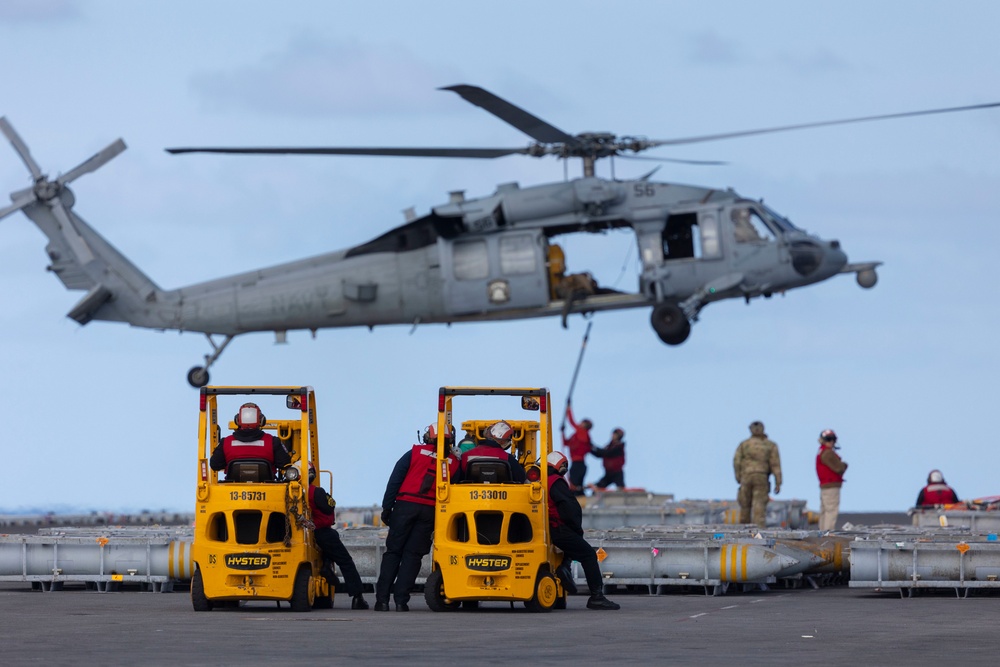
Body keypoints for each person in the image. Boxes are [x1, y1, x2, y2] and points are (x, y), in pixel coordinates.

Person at [375, 424, 460, 611]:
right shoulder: (453, 462)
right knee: (413, 556)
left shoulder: (414, 453)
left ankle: (381, 601)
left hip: (405, 507)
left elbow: (395, 480)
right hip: (430, 511)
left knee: (393, 552)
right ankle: (401, 601)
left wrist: (387, 508)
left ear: (428, 437)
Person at [546, 451, 620, 610]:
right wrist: (576, 529)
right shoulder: (556, 482)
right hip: (559, 529)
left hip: (550, 528)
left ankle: (564, 567)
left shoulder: (542, 480)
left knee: (573, 548)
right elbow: (569, 508)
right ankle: (596, 596)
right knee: (588, 555)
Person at [305, 463, 369, 610]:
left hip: (304, 534)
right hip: (321, 532)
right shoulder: (316, 492)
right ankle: (357, 596)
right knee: (345, 561)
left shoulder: (289, 493)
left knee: (331, 539)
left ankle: (326, 565)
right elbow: (330, 506)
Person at [209, 402, 291, 480]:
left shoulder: (226, 442)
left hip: (232, 491)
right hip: (268, 489)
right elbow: (285, 464)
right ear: (262, 420)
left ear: (237, 420)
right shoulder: (272, 441)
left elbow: (215, 465)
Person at [733, 421, 782, 528]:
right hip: (761, 477)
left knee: (745, 506)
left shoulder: (744, 445)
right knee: (759, 506)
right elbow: (775, 465)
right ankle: (758, 532)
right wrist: (778, 483)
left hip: (746, 477)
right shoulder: (770, 445)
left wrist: (738, 477)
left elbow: (736, 461)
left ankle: (743, 531)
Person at [460, 420, 526, 482]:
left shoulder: (465, 456)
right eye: (508, 439)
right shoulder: (508, 458)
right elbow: (521, 479)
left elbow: (457, 479)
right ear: (502, 441)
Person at [816, 428, 848, 532]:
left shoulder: (821, 451)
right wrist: (844, 465)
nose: (831, 442)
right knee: (831, 510)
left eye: (832, 439)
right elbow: (839, 468)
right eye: (829, 439)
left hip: (825, 485)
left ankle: (822, 532)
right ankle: (828, 533)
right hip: (831, 486)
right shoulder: (828, 453)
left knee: (825, 510)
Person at [562, 404, 593, 495]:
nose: (579, 423)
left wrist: (568, 410)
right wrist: (563, 432)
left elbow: (572, 422)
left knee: (575, 487)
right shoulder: (577, 435)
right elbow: (566, 443)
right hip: (576, 464)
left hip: (578, 464)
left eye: (582, 423)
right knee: (576, 486)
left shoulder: (583, 433)